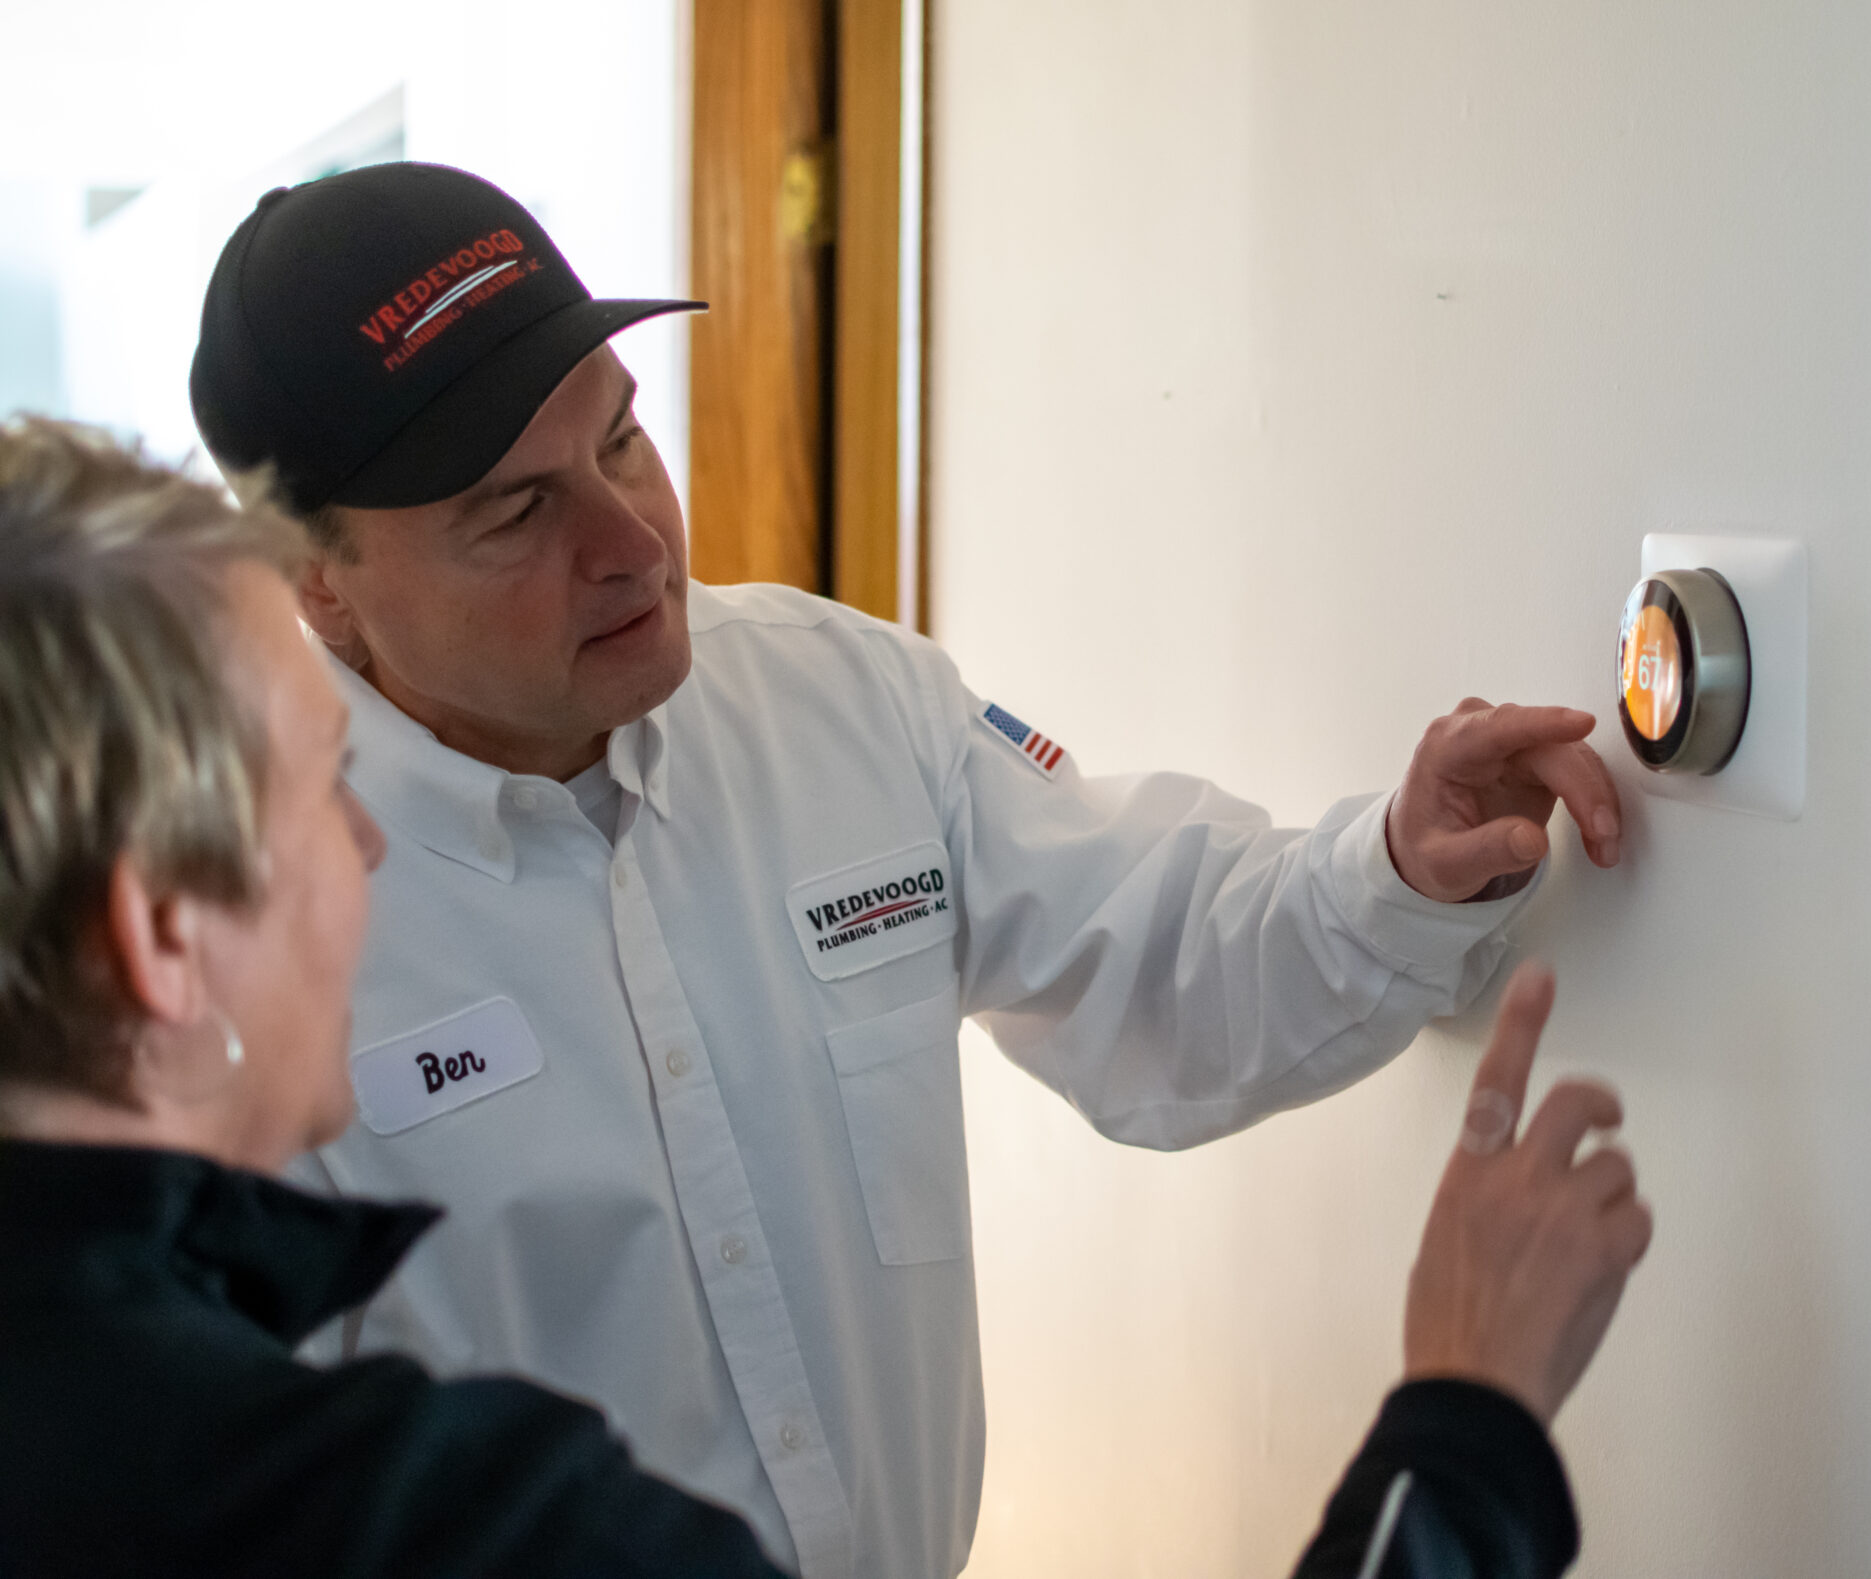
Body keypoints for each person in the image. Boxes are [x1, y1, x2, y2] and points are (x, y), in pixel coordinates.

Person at [183, 160, 1628, 1577]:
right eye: (515, 512)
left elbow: (1153, 947)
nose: (632, 545)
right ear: (316, 578)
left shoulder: (835, 696)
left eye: (622, 441)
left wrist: (1398, 868)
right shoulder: (231, 948)